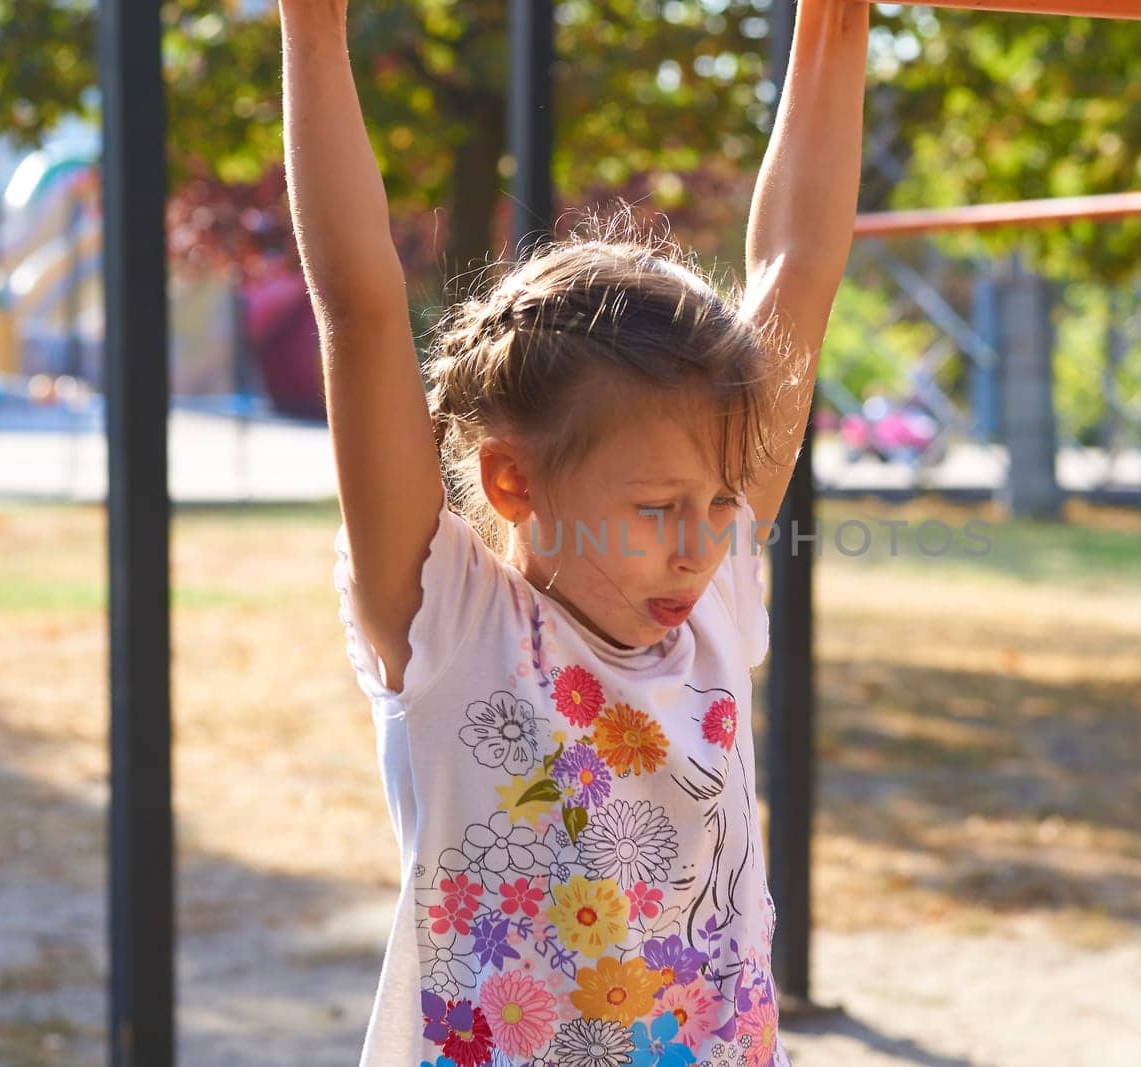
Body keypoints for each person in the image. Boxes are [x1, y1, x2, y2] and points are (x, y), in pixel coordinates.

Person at [278, 0, 869, 1063]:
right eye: (656, 509)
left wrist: (835, 32)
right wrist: (313, 34)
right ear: (511, 480)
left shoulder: (711, 605)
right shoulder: (450, 621)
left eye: (720, 501)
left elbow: (797, 268)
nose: (699, 543)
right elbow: (361, 308)